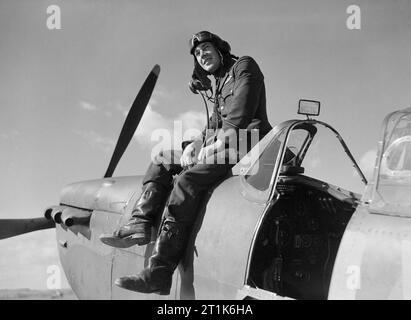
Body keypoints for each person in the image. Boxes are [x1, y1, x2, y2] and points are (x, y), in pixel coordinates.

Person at [99, 31, 272, 295]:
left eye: (206, 48)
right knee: (162, 159)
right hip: (221, 144)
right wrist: (195, 143)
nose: (202, 55)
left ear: (220, 49)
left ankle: (159, 272)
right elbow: (213, 124)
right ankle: (140, 223)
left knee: (186, 181)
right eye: (198, 53)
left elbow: (242, 110)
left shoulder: (244, 66)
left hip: (247, 144)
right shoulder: (219, 83)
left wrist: (220, 142)